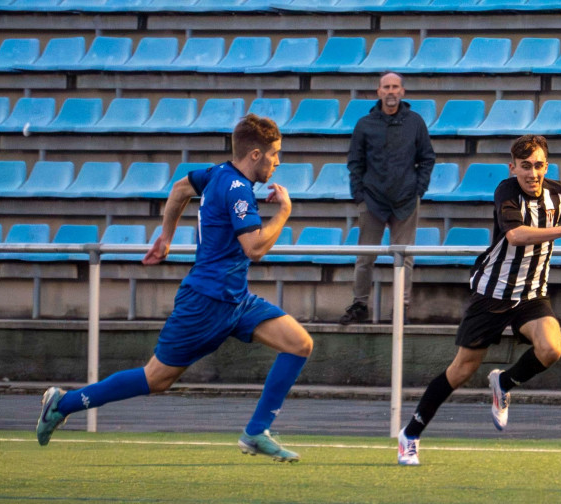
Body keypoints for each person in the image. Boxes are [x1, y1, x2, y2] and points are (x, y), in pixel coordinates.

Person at [36, 114, 314, 463]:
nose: (278, 162)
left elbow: (181, 188)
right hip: (206, 302)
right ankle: (63, 403)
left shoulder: (216, 174)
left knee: (299, 344)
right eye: (274, 154)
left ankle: (256, 432)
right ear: (255, 154)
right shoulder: (238, 189)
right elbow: (255, 248)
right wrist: (285, 212)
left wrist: (165, 238)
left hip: (235, 300)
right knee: (156, 379)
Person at [396, 134, 561, 466]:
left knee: (552, 348)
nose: (532, 174)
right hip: (491, 295)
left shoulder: (560, 193)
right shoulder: (506, 191)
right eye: (525, 167)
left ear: (546, 167)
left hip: (531, 295)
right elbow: (516, 235)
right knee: (461, 370)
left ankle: (503, 382)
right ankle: (410, 434)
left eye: (538, 166)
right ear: (513, 168)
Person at [340, 71, 436, 325]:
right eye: (386, 87)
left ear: (402, 92)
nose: (391, 91)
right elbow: (355, 162)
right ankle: (360, 304)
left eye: (395, 87)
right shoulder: (364, 124)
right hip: (372, 199)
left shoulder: (415, 122)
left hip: (406, 198)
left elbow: (427, 158)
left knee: (404, 256)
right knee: (365, 257)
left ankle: (401, 308)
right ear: (379, 92)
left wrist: (419, 190)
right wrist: (359, 195)